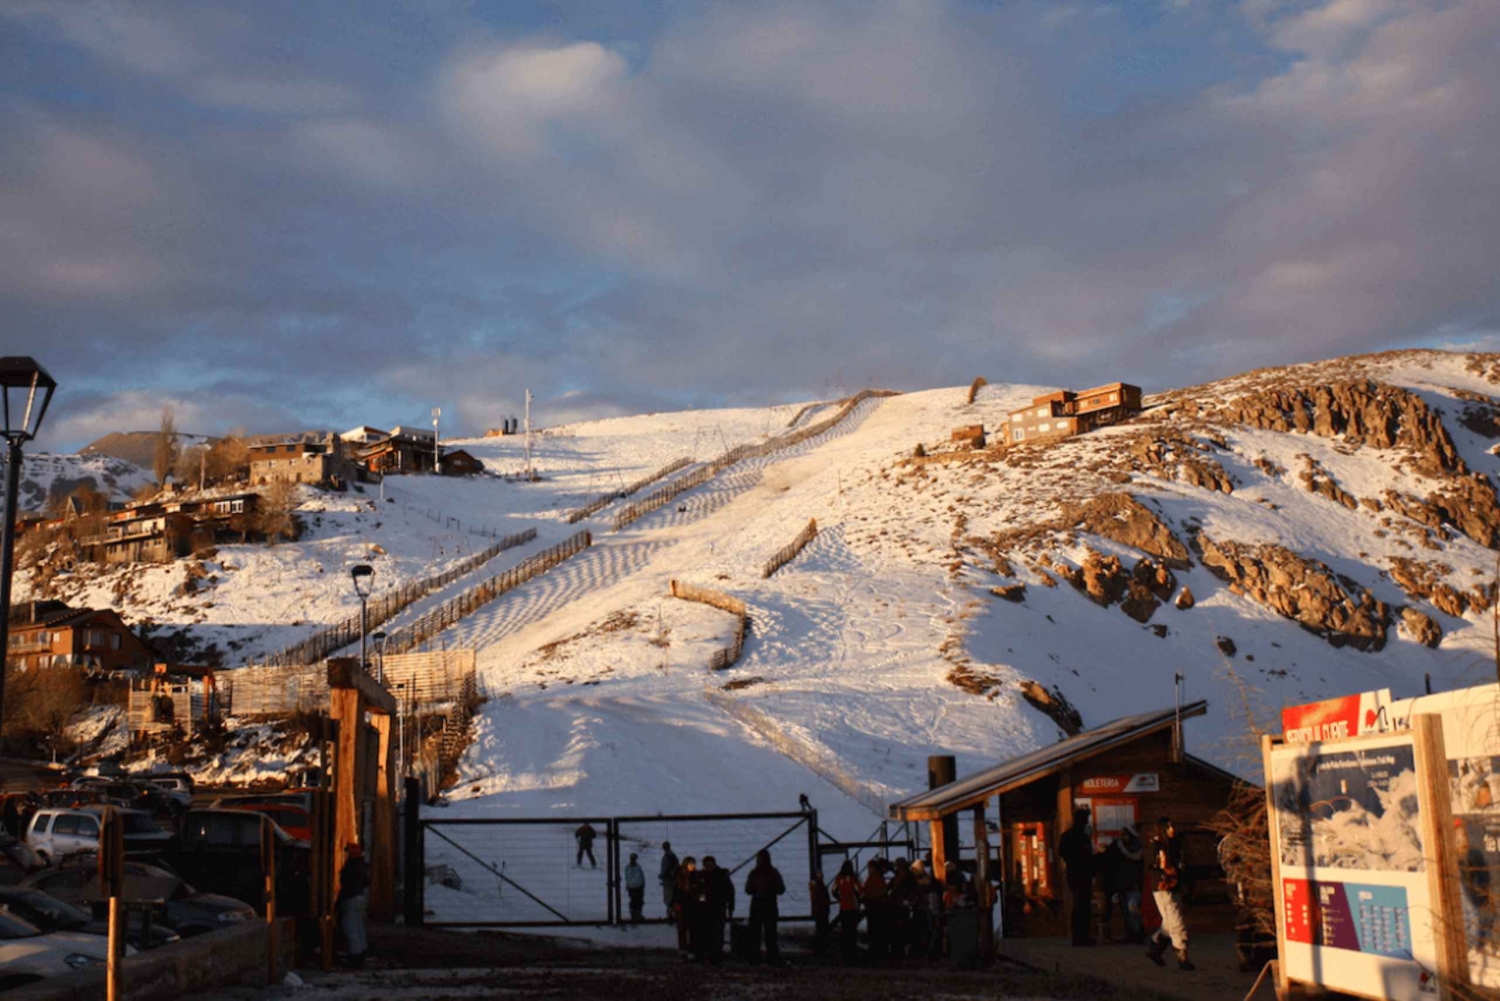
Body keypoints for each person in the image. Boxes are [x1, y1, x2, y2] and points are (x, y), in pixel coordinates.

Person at [1145, 817, 1194, 971]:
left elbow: (1183, 866)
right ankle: (1182, 957)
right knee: (1176, 922)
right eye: (1169, 827)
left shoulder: (1175, 845)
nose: (1173, 829)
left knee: (1168, 923)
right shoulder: (1156, 846)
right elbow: (1149, 867)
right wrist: (1164, 873)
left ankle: (1154, 948)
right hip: (1163, 888)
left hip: (1175, 886)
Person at [1058, 807, 1096, 946]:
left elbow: (1062, 852)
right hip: (1082, 873)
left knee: (1078, 904)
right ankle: (1082, 937)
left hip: (1073, 873)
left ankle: (1078, 937)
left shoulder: (1067, 835)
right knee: (1083, 905)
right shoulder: (1081, 836)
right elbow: (1087, 856)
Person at [1101, 825, 1145, 943]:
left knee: (1132, 909)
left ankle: (1138, 933)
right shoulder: (1117, 847)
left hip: (1133, 884)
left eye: (1126, 834)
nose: (1123, 837)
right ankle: (1131, 933)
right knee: (1126, 910)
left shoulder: (1138, 848)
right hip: (1122, 883)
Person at [744, 849, 786, 965]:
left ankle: (754, 959)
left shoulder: (754, 873)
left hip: (757, 905)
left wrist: (757, 890)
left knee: (755, 934)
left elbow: (748, 890)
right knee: (771, 935)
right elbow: (781, 889)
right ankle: (772, 958)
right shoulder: (773, 872)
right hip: (770, 905)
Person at [337, 842, 370, 968]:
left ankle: (355, 957)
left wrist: (340, 901)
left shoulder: (352, 866)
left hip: (351, 898)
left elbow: (347, 884)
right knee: (358, 926)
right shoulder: (362, 865)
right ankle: (360, 953)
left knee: (350, 928)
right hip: (359, 897)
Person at [699, 855, 735, 963]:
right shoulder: (717, 875)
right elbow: (701, 892)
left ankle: (716, 954)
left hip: (718, 908)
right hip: (710, 908)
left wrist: (730, 906)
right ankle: (712, 954)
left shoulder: (719, 875)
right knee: (710, 932)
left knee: (717, 932)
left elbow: (730, 892)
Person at [833, 859, 862, 964]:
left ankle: (845, 955)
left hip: (843, 908)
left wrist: (840, 899)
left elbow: (833, 891)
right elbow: (860, 891)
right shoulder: (854, 879)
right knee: (852, 932)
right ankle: (852, 955)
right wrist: (858, 901)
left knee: (845, 932)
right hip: (853, 908)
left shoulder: (839, 878)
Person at [861, 858, 890, 961]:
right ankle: (880, 951)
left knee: (874, 931)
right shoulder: (878, 879)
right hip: (878, 908)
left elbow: (867, 892)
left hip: (874, 908)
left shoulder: (873, 879)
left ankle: (876, 952)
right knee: (879, 931)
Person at [673, 856, 698, 956]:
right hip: (681, 905)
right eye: (690, 863)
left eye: (693, 863)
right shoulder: (679, 877)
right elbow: (676, 892)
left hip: (692, 905)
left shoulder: (696, 875)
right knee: (682, 927)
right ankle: (683, 948)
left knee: (693, 927)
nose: (692, 866)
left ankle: (692, 948)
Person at [908, 860, 934, 959]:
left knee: (921, 931)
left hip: (922, 908)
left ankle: (921, 951)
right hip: (921, 908)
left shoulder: (923, 881)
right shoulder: (924, 879)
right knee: (921, 931)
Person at [809, 872, 832, 957]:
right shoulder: (819, 886)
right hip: (821, 910)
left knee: (821, 929)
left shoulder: (816, 885)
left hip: (820, 910)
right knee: (821, 930)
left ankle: (820, 948)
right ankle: (821, 948)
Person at [625, 853, 646, 923]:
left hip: (631, 887)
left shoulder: (627, 867)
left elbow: (627, 878)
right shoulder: (637, 867)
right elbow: (641, 877)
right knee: (638, 901)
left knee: (633, 901)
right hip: (638, 887)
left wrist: (628, 886)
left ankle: (634, 913)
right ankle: (637, 914)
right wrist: (643, 885)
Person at [659, 841, 679, 913]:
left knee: (668, 898)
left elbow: (664, 870)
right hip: (674, 879)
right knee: (673, 896)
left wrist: (661, 876)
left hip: (668, 880)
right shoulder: (674, 856)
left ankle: (671, 913)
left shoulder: (666, 858)